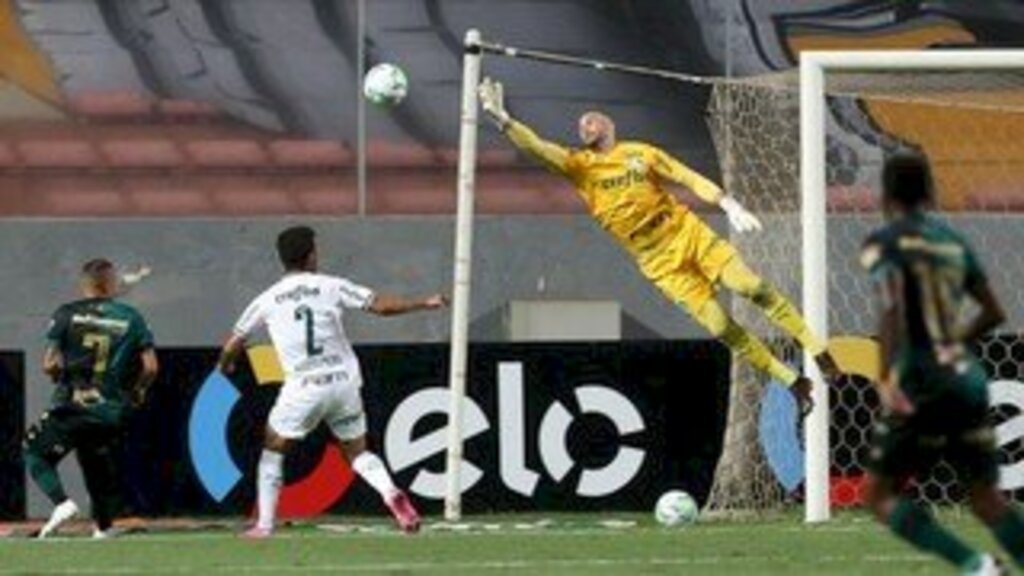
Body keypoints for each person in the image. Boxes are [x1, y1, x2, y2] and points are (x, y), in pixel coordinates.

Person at [478, 78, 839, 410]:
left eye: (590, 121)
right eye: (579, 125)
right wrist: (505, 121)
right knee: (718, 327)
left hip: (686, 232)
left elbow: (684, 175)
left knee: (750, 286)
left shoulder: (641, 153)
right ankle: (793, 382)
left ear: (609, 125)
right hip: (655, 259)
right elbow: (538, 148)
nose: (583, 126)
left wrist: (726, 203)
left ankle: (818, 349)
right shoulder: (580, 166)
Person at [218, 226, 446, 537]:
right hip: (343, 383)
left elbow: (234, 343)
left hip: (304, 387)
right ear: (311, 256)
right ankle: (390, 492)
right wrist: (424, 302)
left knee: (273, 447)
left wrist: (225, 366)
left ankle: (264, 525)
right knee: (357, 452)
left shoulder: (267, 299)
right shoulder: (331, 286)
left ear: (282, 260)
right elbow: (380, 306)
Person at [860, 153, 1024, 576]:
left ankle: (976, 566)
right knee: (986, 499)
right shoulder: (953, 242)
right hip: (967, 381)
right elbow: (993, 312)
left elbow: (892, 307)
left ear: (886, 196)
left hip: (919, 381)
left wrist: (885, 377)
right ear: (930, 193)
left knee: (878, 494)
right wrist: (954, 344)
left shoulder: (883, 243)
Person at [25, 258, 159, 538]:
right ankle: (103, 527)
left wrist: (59, 376)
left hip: (72, 404)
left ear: (83, 284)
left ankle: (62, 503)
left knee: (34, 453)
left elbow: (49, 363)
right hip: (109, 409)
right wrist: (138, 392)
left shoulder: (65, 314)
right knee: (94, 463)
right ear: (111, 283)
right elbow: (150, 367)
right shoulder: (131, 317)